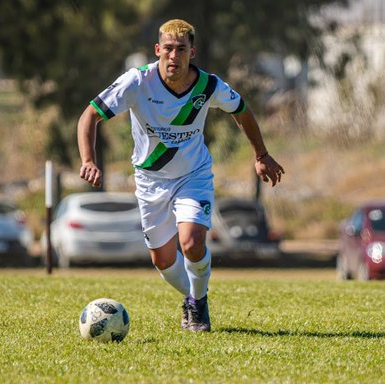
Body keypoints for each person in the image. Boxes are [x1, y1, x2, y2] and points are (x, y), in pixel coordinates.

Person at [77, 19, 284, 332]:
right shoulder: (137, 82)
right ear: (158, 50)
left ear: (192, 52)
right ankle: (191, 296)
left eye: (181, 49)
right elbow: (91, 114)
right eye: (168, 49)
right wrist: (89, 159)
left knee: (191, 243)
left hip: (193, 176)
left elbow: (241, 110)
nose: (174, 56)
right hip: (150, 180)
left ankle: (199, 305)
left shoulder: (208, 86)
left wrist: (261, 154)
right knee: (162, 260)